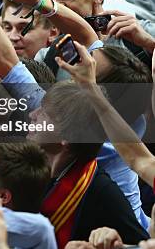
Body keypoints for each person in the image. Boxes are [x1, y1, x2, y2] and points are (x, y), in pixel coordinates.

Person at [29, 81, 149, 247]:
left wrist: (117, 245)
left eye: (44, 114)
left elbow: (142, 244)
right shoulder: (28, 166)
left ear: (66, 137)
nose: (33, 114)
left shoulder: (102, 192)